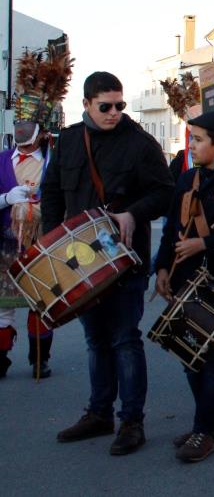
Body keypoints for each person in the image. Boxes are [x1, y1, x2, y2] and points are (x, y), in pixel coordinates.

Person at [42, 71, 174, 454]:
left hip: (124, 259)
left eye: (119, 105)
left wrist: (133, 213)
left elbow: (165, 192)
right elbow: (51, 193)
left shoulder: (140, 143)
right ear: (86, 105)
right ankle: (99, 413)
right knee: (96, 340)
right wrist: (53, 241)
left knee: (124, 339)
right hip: (77, 260)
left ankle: (132, 421)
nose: (115, 112)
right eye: (105, 106)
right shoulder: (67, 140)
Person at [154, 111, 214, 463]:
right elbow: (171, 224)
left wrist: (203, 245)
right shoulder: (187, 176)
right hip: (184, 277)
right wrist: (162, 267)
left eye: (200, 140)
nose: (192, 145)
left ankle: (203, 430)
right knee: (189, 355)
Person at [0, 44, 74, 379]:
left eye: (26, 125)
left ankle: (39, 358)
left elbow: (66, 198)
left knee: (41, 300)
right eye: (17, 123)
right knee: (3, 306)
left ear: (41, 130)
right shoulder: (1, 161)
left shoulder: (54, 163)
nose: (20, 130)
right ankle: (0, 358)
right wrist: (5, 199)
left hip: (42, 240)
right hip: (4, 242)